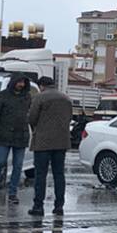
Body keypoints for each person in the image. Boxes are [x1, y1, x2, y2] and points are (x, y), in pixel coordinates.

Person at [27, 77, 73, 217]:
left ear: (41, 86)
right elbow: (69, 117)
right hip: (61, 142)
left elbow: (32, 118)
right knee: (59, 174)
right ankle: (59, 206)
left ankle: (38, 207)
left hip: (43, 142)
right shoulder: (66, 98)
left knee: (41, 175)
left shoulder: (40, 97)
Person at [0, 73, 32, 203]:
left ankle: (13, 193)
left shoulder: (27, 97)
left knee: (18, 166)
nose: (21, 85)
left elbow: (31, 114)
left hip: (21, 136)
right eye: (19, 82)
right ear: (14, 82)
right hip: (4, 135)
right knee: (0, 162)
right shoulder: (3, 95)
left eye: (23, 83)